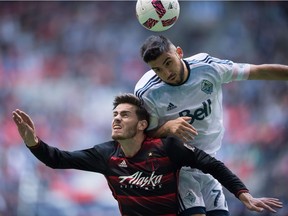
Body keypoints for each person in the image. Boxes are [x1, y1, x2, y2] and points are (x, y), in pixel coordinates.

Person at [13, 93, 282, 216]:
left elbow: (211, 164)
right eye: (115, 115)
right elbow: (58, 159)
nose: (117, 119)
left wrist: (244, 194)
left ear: (142, 124)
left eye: (125, 115)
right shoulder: (105, 154)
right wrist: (33, 141)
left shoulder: (167, 148)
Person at [134, 35, 288, 216]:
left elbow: (257, 71)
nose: (166, 73)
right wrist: (166, 128)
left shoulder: (208, 67)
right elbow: (139, 141)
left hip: (210, 165)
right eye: (157, 69)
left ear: (179, 53)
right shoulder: (147, 93)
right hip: (176, 169)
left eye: (168, 63)